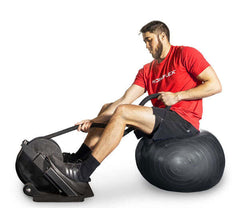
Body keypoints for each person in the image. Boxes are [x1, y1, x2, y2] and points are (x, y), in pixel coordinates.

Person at [50, 21, 222, 183]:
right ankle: (78, 157)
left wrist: (177, 96)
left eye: (149, 40)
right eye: (145, 42)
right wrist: (93, 121)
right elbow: (125, 99)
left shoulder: (185, 54)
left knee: (123, 112)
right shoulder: (147, 70)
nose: (147, 46)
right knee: (108, 108)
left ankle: (82, 172)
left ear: (162, 36)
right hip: (161, 120)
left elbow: (215, 85)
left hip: (183, 121)